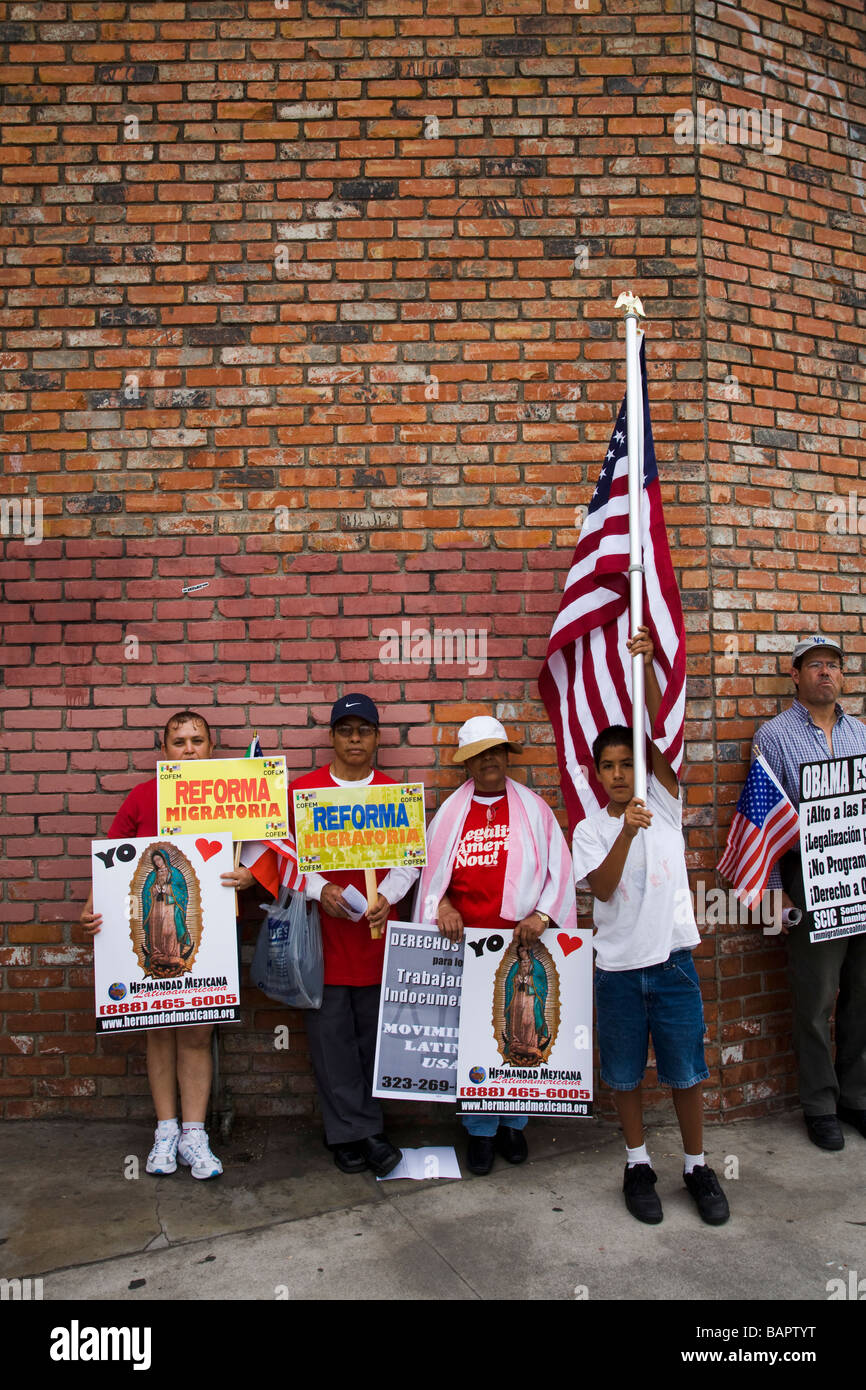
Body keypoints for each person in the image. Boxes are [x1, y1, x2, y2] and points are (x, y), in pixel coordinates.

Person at [571, 629, 730, 1226]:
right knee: (623, 1074)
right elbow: (604, 888)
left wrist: (646, 668)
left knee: (686, 1070)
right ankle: (638, 1163)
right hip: (616, 972)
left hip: (672, 965)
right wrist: (627, 831)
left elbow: (657, 729)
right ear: (596, 775)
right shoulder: (589, 829)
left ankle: (696, 1166)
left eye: (624, 764)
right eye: (607, 767)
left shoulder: (663, 802)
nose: (617, 775)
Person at [80, 710, 253, 1180]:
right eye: (179, 741)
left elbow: (262, 847)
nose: (189, 748)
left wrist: (250, 874)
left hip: (207, 935)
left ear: (212, 748)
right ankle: (165, 1130)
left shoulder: (230, 793)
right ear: (164, 750)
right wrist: (91, 908)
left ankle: (195, 1134)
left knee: (197, 1032)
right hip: (150, 926)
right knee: (157, 1029)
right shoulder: (142, 797)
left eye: (198, 740)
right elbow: (112, 859)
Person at [250, 693, 417, 1177]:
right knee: (330, 1042)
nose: (355, 739)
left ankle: (357, 1129)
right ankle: (356, 1133)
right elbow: (281, 860)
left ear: (377, 737)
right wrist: (319, 888)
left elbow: (409, 862)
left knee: (372, 1040)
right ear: (332, 738)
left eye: (364, 730)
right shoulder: (306, 793)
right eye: (346, 730)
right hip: (319, 943)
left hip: (375, 936)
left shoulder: (392, 793)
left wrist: (388, 891)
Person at [414, 714, 577, 1175]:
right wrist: (443, 907)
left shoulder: (534, 809)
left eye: (496, 751)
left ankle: (514, 1123)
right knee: (477, 1041)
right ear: (466, 763)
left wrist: (542, 915)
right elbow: (432, 876)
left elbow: (559, 872)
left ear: (507, 756)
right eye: (480, 754)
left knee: (519, 1031)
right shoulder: (450, 814)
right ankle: (480, 1131)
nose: (490, 760)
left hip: (520, 947)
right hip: (466, 948)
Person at [753, 634, 866, 1151]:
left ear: (842, 676)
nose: (826, 672)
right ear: (795, 675)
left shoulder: (859, 733)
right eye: (814, 665)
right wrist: (776, 890)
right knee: (816, 996)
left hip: (860, 873)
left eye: (833, 665)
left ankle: (856, 1098)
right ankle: (820, 1104)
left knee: (862, 993)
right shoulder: (774, 736)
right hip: (810, 876)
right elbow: (762, 821)